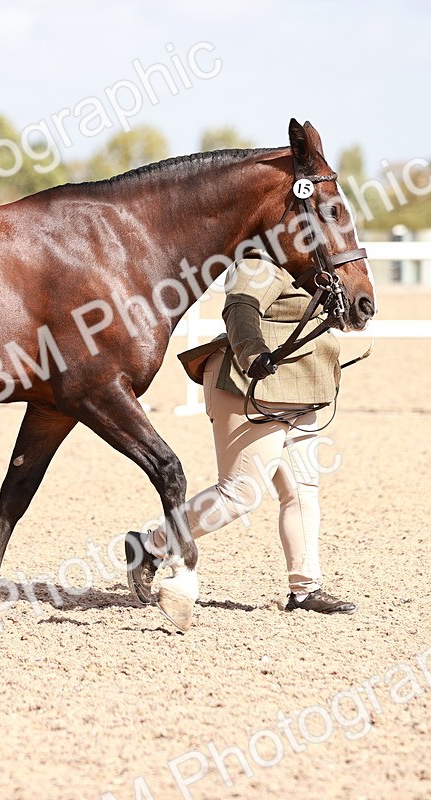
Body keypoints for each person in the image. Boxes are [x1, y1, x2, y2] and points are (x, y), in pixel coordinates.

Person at [126, 252, 358, 615]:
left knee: (302, 490)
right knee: (240, 494)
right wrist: (253, 352)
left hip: (301, 385)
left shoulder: (314, 268)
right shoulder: (260, 263)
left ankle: (305, 588)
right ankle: (151, 545)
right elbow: (240, 308)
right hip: (248, 383)